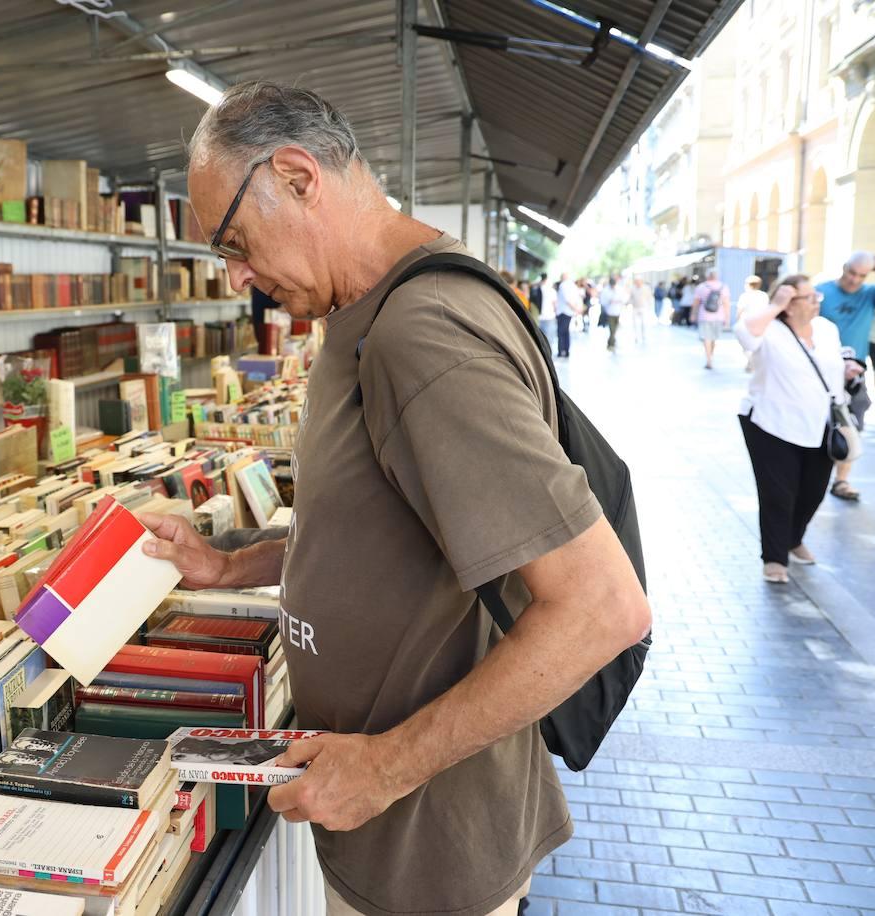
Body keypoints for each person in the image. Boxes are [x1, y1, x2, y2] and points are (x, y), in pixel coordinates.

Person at [144, 80, 650, 916]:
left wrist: (384, 768)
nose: (238, 276)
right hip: (397, 844)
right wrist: (231, 568)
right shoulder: (365, 312)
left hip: (433, 856)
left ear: (298, 177)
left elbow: (602, 608)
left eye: (234, 241)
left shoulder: (421, 334)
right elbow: (379, 532)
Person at [734, 275, 857, 583]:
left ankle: (793, 538)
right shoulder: (769, 328)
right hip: (770, 424)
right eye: (809, 297)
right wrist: (775, 306)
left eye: (817, 296)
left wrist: (848, 371)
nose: (817, 301)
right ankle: (775, 558)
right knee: (778, 493)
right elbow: (745, 334)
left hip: (820, 423)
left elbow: (832, 366)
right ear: (789, 303)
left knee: (813, 491)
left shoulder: (826, 329)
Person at [816, 252, 875, 500]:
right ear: (843, 267)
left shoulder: (869, 293)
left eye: (861, 275)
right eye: (852, 273)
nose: (855, 280)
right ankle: (814, 477)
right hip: (821, 368)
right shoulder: (821, 291)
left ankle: (842, 480)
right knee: (819, 425)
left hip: (854, 371)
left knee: (851, 424)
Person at [694, 269, 732, 369]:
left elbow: (696, 302)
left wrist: (693, 314)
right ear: (717, 276)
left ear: (707, 276)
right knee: (713, 338)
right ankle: (710, 356)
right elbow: (726, 304)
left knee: (706, 338)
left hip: (704, 316)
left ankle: (708, 360)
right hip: (719, 316)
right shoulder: (724, 287)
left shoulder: (701, 287)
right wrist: (727, 318)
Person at [555, 272, 582, 357]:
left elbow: (567, 300)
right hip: (569, 312)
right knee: (566, 332)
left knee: (561, 332)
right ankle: (566, 351)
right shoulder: (573, 286)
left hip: (563, 312)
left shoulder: (563, 285)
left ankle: (561, 351)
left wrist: (575, 309)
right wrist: (576, 309)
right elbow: (577, 298)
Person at [604, 276, 629, 351]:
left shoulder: (619, 289)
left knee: (615, 328)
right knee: (612, 328)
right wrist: (609, 301)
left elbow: (624, 299)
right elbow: (603, 301)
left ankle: (611, 341)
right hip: (609, 312)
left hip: (617, 311)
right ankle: (611, 343)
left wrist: (619, 301)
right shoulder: (606, 290)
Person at [630, 277, 653, 345]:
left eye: (639, 281)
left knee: (644, 323)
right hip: (635, 308)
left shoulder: (646, 288)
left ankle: (644, 336)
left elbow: (649, 297)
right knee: (635, 323)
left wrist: (649, 306)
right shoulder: (633, 288)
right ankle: (636, 336)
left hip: (643, 308)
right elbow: (631, 298)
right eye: (636, 281)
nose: (638, 282)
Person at [535, 272, 556, 344]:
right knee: (549, 338)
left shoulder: (536, 289)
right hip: (549, 316)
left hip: (538, 316)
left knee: (540, 337)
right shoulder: (552, 290)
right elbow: (554, 304)